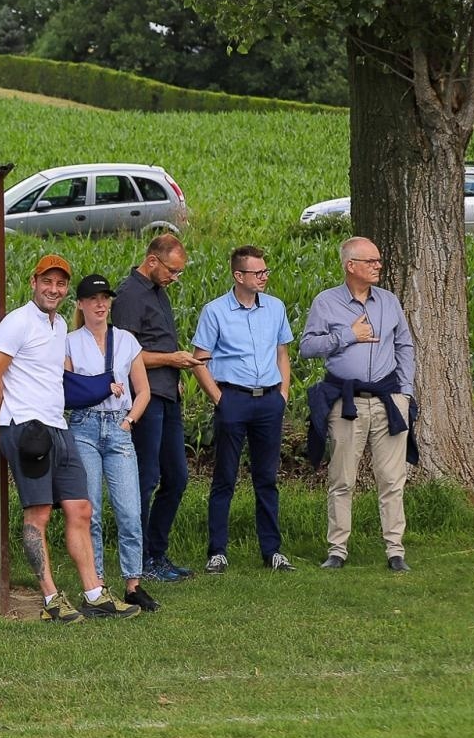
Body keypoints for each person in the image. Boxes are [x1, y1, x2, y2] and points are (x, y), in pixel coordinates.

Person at [0, 254, 141, 622]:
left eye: (60, 283)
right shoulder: (16, 323)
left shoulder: (58, 327)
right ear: (33, 282)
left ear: (66, 290)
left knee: (80, 508)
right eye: (47, 282)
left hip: (59, 427)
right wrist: (8, 422)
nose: (53, 289)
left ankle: (95, 595)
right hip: (28, 429)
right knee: (38, 515)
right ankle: (52, 600)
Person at [299, 237, 416, 572]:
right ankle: (337, 550)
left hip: (388, 401)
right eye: (371, 261)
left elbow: (404, 346)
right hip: (345, 403)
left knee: (392, 480)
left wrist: (405, 392)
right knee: (342, 479)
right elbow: (307, 347)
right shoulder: (326, 302)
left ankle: (395, 551)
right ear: (351, 266)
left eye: (378, 261)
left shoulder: (389, 301)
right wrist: (348, 335)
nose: (378, 265)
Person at [192, 245, 295, 574]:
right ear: (238, 276)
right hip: (233, 399)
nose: (264, 277)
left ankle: (272, 551)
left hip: (269, 401)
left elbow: (282, 352)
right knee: (225, 477)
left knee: (267, 478)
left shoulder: (275, 308)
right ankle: (217, 552)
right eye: (257, 272)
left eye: (265, 271)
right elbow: (199, 360)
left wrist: (283, 394)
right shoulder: (215, 311)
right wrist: (220, 399)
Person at [111, 234, 205, 583]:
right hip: (144, 400)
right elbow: (124, 356)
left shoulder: (158, 291)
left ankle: (157, 553)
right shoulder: (129, 296)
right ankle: (139, 560)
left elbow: (155, 344)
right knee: (146, 478)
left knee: (177, 477)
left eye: (179, 272)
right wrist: (171, 360)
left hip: (167, 395)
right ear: (152, 261)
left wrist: (173, 373)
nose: (174, 278)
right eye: (171, 270)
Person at [65, 273, 158, 611]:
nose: (100, 304)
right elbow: (67, 389)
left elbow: (143, 390)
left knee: (130, 509)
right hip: (84, 426)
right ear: (80, 304)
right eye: (93, 299)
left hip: (118, 427)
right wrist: (99, 389)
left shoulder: (127, 340)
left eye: (105, 298)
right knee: (90, 510)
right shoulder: (69, 342)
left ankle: (133, 583)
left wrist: (129, 420)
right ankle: (98, 584)